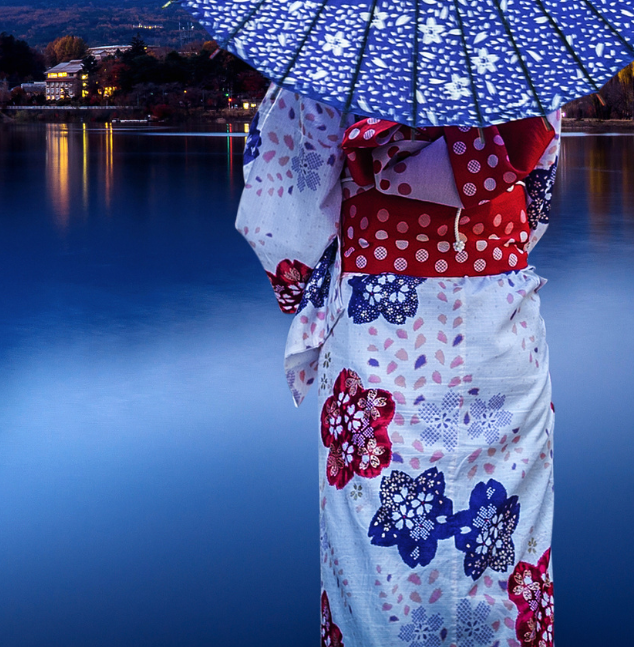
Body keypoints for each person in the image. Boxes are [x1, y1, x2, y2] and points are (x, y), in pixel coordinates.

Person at [237, 85, 560, 647]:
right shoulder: (520, 48)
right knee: (504, 547)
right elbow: (534, 207)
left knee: (375, 559)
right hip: (499, 327)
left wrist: (310, 282)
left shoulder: (341, 46)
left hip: (378, 332)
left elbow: (283, 217)